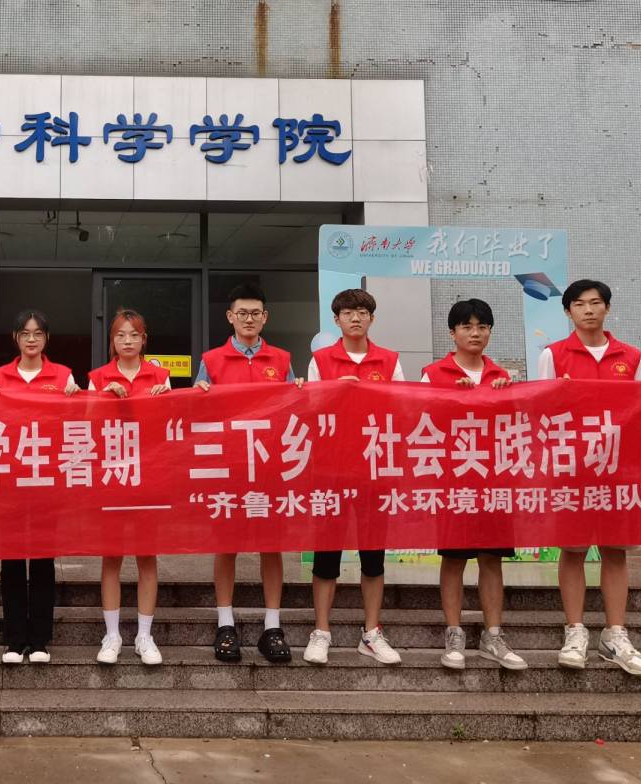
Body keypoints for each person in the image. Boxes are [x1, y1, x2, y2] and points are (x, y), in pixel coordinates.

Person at [539, 279, 641, 676]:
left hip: (617, 468)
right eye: (579, 304)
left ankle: (615, 634)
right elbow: (541, 411)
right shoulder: (553, 355)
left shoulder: (630, 356)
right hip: (572, 468)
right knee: (573, 549)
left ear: (607, 308)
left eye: (596, 303)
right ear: (568, 312)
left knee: (615, 550)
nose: (588, 310)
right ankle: (575, 631)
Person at [193, 282, 297, 665]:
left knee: (272, 544)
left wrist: (300, 390)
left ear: (265, 317)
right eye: (242, 313)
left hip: (269, 467)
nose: (249, 319)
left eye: (255, 313)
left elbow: (294, 409)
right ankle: (225, 623)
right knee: (227, 544)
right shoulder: (211, 360)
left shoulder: (282, 360)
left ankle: (272, 626)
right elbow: (198, 412)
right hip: (229, 466)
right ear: (230, 317)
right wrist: (199, 394)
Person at [421, 299, 526, 671]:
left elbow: (517, 429)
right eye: (466, 326)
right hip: (454, 483)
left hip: (494, 482)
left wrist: (505, 399)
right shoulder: (433, 374)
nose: (475, 333)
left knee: (491, 559)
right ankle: (454, 633)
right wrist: (454, 400)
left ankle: (493, 635)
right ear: (452, 333)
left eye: (482, 326)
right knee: (453, 559)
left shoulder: (502, 376)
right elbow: (419, 424)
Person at [304, 288, 405, 666]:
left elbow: (403, 408)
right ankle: (321, 631)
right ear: (337, 320)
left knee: (373, 557)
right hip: (331, 472)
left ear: (372, 318)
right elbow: (310, 409)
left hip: (374, 471)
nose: (356, 318)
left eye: (363, 312)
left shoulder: (390, 360)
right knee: (326, 557)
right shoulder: (320, 361)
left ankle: (372, 632)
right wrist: (337, 393)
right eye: (348, 313)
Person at [0, 309, 80, 664]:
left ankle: (39, 639)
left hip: (46, 481)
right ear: (15, 338)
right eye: (25, 333)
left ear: (46, 339)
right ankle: (14, 640)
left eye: (38, 333)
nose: (31, 339)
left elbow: (76, 424)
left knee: (42, 559)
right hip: (10, 480)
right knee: (11, 560)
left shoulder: (63, 375)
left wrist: (76, 399)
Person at [88, 308, 172, 666]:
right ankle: (112, 636)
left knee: (146, 556)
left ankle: (144, 635)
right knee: (111, 556)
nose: (127, 341)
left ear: (143, 339)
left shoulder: (160, 376)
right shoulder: (98, 377)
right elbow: (84, 426)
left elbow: (170, 426)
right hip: (112, 477)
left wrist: (163, 401)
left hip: (148, 476)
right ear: (112, 340)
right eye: (120, 335)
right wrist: (104, 398)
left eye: (133, 335)